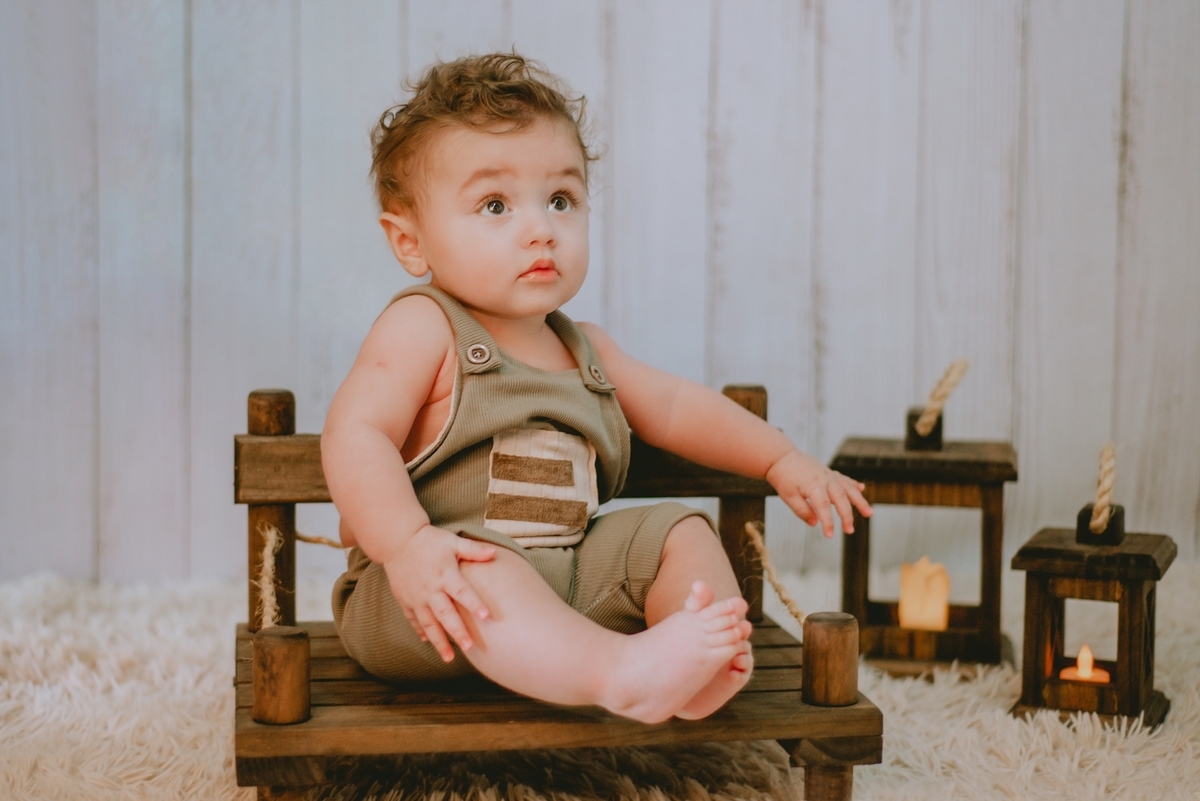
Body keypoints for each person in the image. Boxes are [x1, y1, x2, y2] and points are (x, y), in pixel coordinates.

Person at [322, 53, 872, 724]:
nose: (540, 228)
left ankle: (695, 663)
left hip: (569, 584)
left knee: (677, 528)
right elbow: (356, 433)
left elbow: (677, 408)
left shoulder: (587, 348)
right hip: (430, 598)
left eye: (561, 198)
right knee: (485, 567)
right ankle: (620, 672)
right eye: (494, 204)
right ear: (411, 242)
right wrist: (406, 545)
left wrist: (779, 459)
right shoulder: (424, 327)